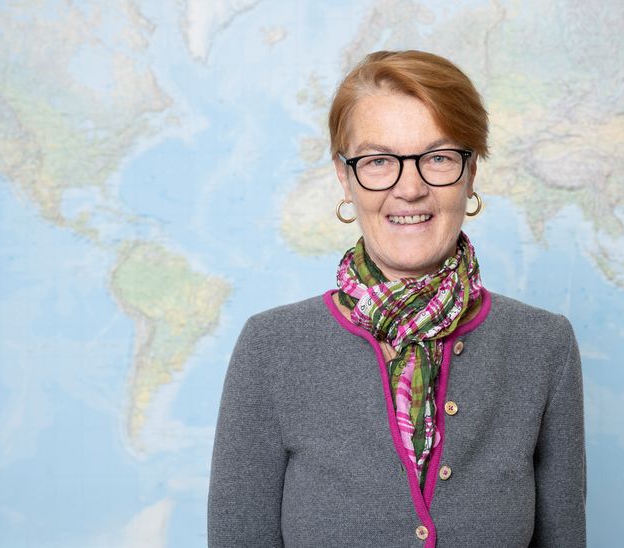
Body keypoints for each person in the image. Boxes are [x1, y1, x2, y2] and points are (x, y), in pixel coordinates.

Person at [208, 50, 586, 547]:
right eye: (379, 161)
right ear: (345, 178)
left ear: (471, 172)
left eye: (439, 157)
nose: (410, 189)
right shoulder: (272, 346)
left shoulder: (543, 346)